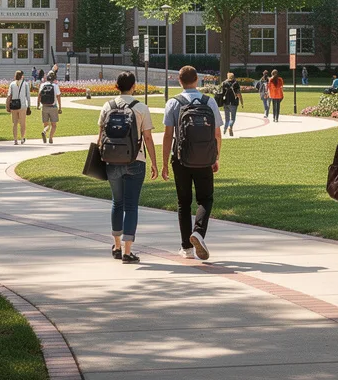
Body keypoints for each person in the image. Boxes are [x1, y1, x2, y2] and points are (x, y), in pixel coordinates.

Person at [162, 66, 222, 260]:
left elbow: (168, 135)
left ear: (179, 81)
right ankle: (198, 232)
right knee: (206, 198)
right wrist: (216, 157)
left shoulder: (173, 102)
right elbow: (216, 134)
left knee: (183, 202)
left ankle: (186, 248)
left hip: (180, 159)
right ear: (197, 80)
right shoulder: (209, 102)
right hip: (205, 158)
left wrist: (164, 164)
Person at [99, 71, 158, 264]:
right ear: (134, 86)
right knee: (131, 206)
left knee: (117, 203)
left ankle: (116, 246)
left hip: (111, 160)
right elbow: (147, 138)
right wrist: (155, 163)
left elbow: (100, 136)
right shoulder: (141, 107)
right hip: (136, 160)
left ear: (116, 86)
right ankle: (128, 250)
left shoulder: (107, 106)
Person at [6, 70, 31, 145]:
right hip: (22, 106)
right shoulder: (25, 84)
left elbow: (9, 96)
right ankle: (22, 138)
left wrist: (7, 106)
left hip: (14, 106)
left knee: (15, 123)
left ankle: (15, 140)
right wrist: (29, 106)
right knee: (22, 123)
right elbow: (28, 97)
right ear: (22, 76)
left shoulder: (12, 84)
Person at [38, 71, 61, 144]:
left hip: (44, 107)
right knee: (54, 125)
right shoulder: (55, 86)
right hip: (53, 107)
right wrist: (60, 107)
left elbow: (39, 95)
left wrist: (38, 104)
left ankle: (44, 131)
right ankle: (50, 138)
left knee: (46, 124)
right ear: (54, 79)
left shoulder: (42, 85)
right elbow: (58, 96)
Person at [216, 72, 242, 137]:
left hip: (225, 102)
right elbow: (239, 94)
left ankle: (224, 130)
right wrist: (242, 102)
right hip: (233, 103)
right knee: (232, 118)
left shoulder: (224, 83)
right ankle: (230, 127)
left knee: (227, 118)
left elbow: (219, 91)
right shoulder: (236, 83)